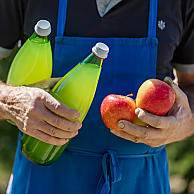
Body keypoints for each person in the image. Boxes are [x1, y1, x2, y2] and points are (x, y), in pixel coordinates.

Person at [0, 0, 194, 193]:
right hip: (41, 174)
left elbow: (191, 87)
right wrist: (10, 100)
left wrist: (185, 123)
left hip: (141, 183)